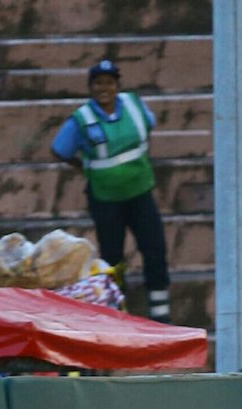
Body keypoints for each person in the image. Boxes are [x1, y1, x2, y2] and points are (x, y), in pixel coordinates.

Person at [51, 59, 171, 323]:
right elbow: (60, 149)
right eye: (98, 83)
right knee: (112, 257)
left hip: (140, 193)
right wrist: (86, 167)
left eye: (109, 82)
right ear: (90, 87)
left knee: (154, 249)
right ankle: (117, 314)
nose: (104, 88)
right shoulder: (83, 118)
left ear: (118, 85)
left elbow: (149, 126)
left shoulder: (134, 106)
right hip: (106, 200)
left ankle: (161, 313)